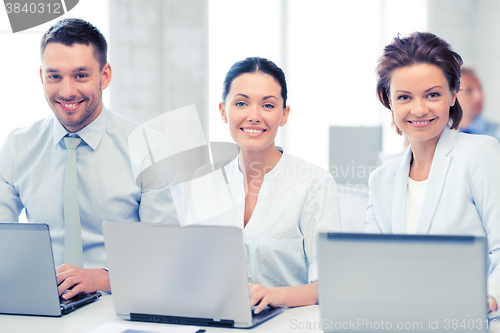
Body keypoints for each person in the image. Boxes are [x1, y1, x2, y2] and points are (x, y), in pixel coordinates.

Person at [0, 19, 177, 299]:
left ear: (105, 75)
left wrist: (101, 278)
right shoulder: (16, 147)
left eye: (81, 75)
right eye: (54, 76)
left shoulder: (148, 148)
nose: (67, 91)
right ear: (41, 76)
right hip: (42, 308)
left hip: (121, 304)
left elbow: (166, 255)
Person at [182, 57, 339, 314]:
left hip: (288, 324)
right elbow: (190, 268)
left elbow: (329, 284)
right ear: (223, 111)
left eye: (268, 105)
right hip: (218, 319)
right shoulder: (204, 181)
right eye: (241, 103)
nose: (254, 116)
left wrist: (275, 295)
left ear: (284, 114)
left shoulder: (314, 183)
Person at [365, 32, 500, 313]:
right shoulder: (380, 180)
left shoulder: (480, 153)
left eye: (433, 94)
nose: (419, 109)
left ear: (453, 94)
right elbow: (374, 264)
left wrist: (489, 298)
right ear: (388, 100)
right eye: (404, 97)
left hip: (470, 319)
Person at [457, 67, 500, 141]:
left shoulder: (497, 135)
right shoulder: (441, 136)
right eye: (469, 90)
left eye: (480, 89)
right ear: (452, 96)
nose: (478, 96)